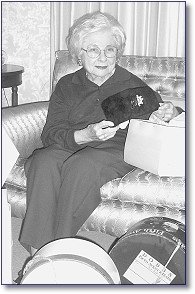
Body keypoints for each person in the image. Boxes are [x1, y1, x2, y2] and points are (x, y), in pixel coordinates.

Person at [19, 11, 181, 254]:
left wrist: (172, 112)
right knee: (42, 160)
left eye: (110, 49)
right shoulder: (67, 86)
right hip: (74, 141)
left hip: (116, 148)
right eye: (93, 49)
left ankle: (60, 247)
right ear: (78, 54)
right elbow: (51, 133)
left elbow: (164, 113)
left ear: (118, 52)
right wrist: (84, 135)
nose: (102, 57)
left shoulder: (133, 85)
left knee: (82, 165)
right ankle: (37, 250)